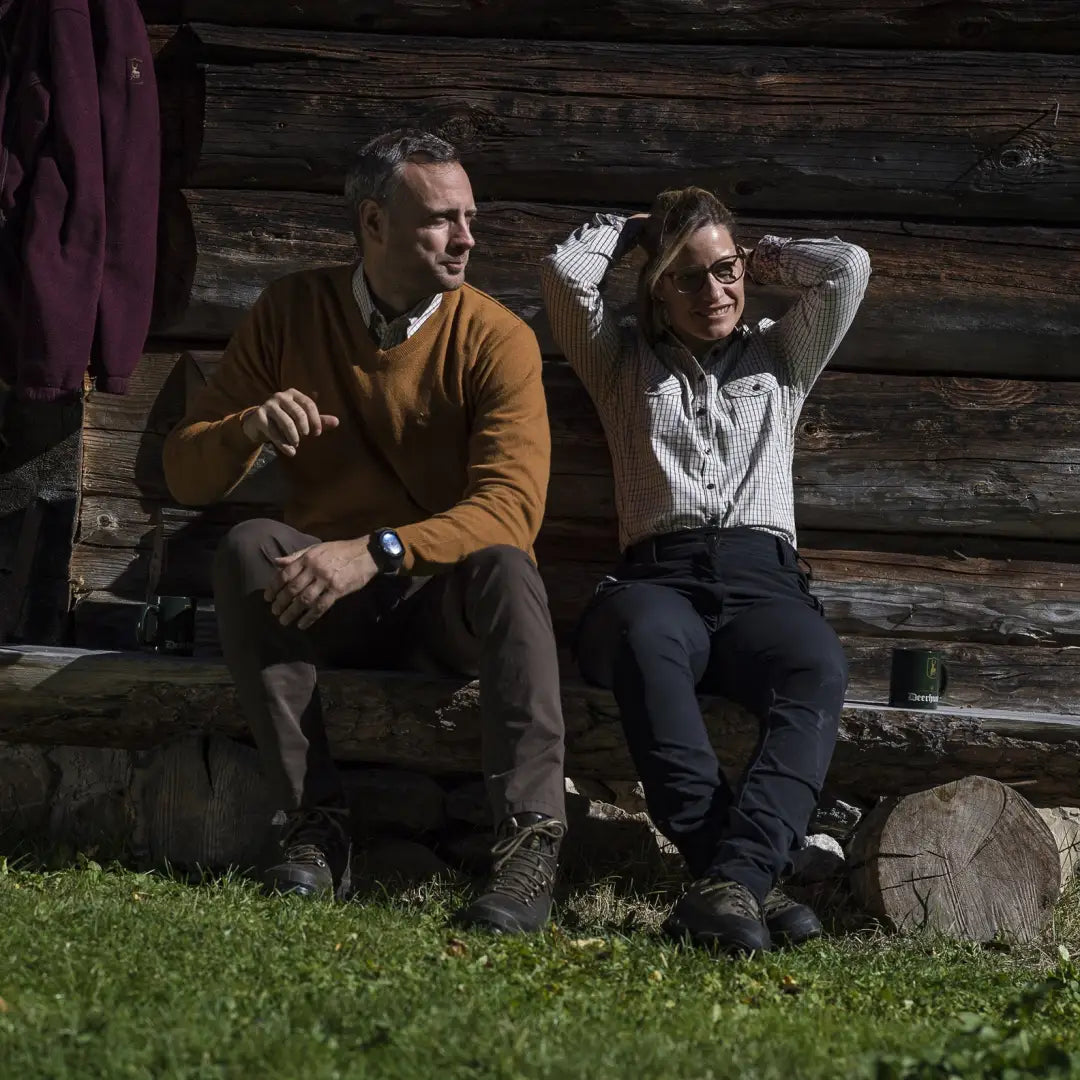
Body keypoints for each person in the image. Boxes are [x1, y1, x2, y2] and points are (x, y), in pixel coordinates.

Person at [163, 129, 567, 935]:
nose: (466, 237)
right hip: (327, 605)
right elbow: (184, 475)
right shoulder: (292, 310)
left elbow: (512, 508)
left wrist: (378, 550)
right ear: (375, 224)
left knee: (508, 565)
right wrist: (247, 430)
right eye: (442, 219)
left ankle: (529, 846)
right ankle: (313, 829)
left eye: (469, 217)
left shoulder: (496, 338)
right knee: (247, 548)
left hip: (440, 606)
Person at [540, 188, 870, 954]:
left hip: (765, 582)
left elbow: (849, 268)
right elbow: (564, 277)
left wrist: (761, 254)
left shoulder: (782, 355)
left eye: (724, 272)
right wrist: (632, 230)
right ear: (656, 286)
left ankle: (734, 884)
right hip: (660, 579)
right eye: (686, 277)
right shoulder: (619, 358)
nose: (713, 293)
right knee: (645, 645)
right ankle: (751, 882)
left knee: (815, 665)